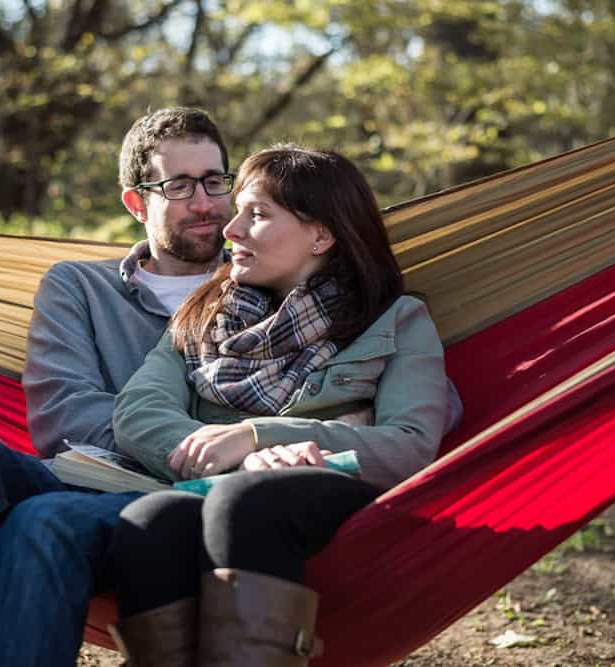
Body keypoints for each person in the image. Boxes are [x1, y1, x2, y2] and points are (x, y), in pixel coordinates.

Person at [0, 107, 233, 667]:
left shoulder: (264, 284)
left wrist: (214, 447)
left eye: (215, 181)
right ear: (136, 201)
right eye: (180, 186)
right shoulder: (79, 287)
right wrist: (199, 441)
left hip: (178, 507)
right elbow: (63, 417)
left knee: (41, 521)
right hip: (77, 479)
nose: (205, 202)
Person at [105, 145, 463, 666]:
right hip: (213, 485)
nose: (232, 230)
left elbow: (409, 446)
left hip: (334, 497)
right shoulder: (206, 314)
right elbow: (138, 414)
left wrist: (260, 436)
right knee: (148, 521)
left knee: (246, 503)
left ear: (321, 234)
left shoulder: (396, 320)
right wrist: (241, 458)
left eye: (259, 215)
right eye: (241, 211)